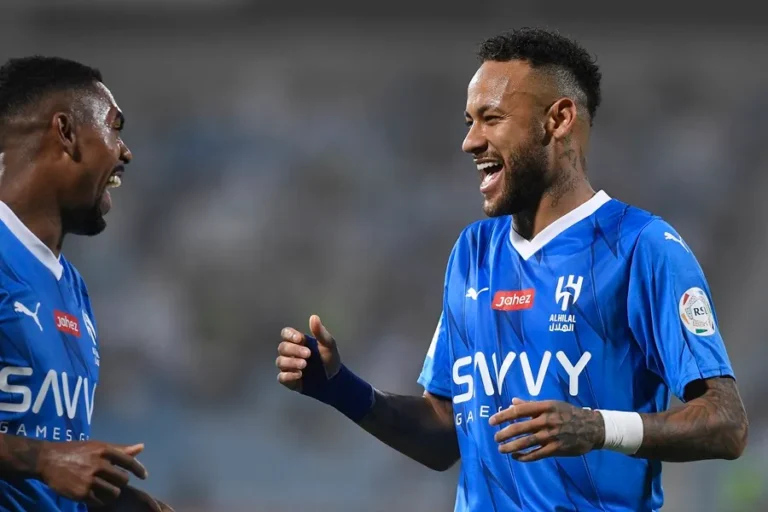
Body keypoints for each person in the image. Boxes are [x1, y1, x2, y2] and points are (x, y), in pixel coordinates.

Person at [275, 27, 749, 511]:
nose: (470, 141)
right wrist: (342, 389)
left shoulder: (641, 247)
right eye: (469, 121)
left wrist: (597, 427)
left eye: (492, 118)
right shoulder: (473, 251)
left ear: (558, 119)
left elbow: (727, 424)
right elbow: (447, 436)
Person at [0, 57, 172, 512]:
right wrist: (43, 459)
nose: (125, 152)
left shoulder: (71, 286)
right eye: (114, 127)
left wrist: (115, 503)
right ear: (66, 131)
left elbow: (42, 467)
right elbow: (45, 458)